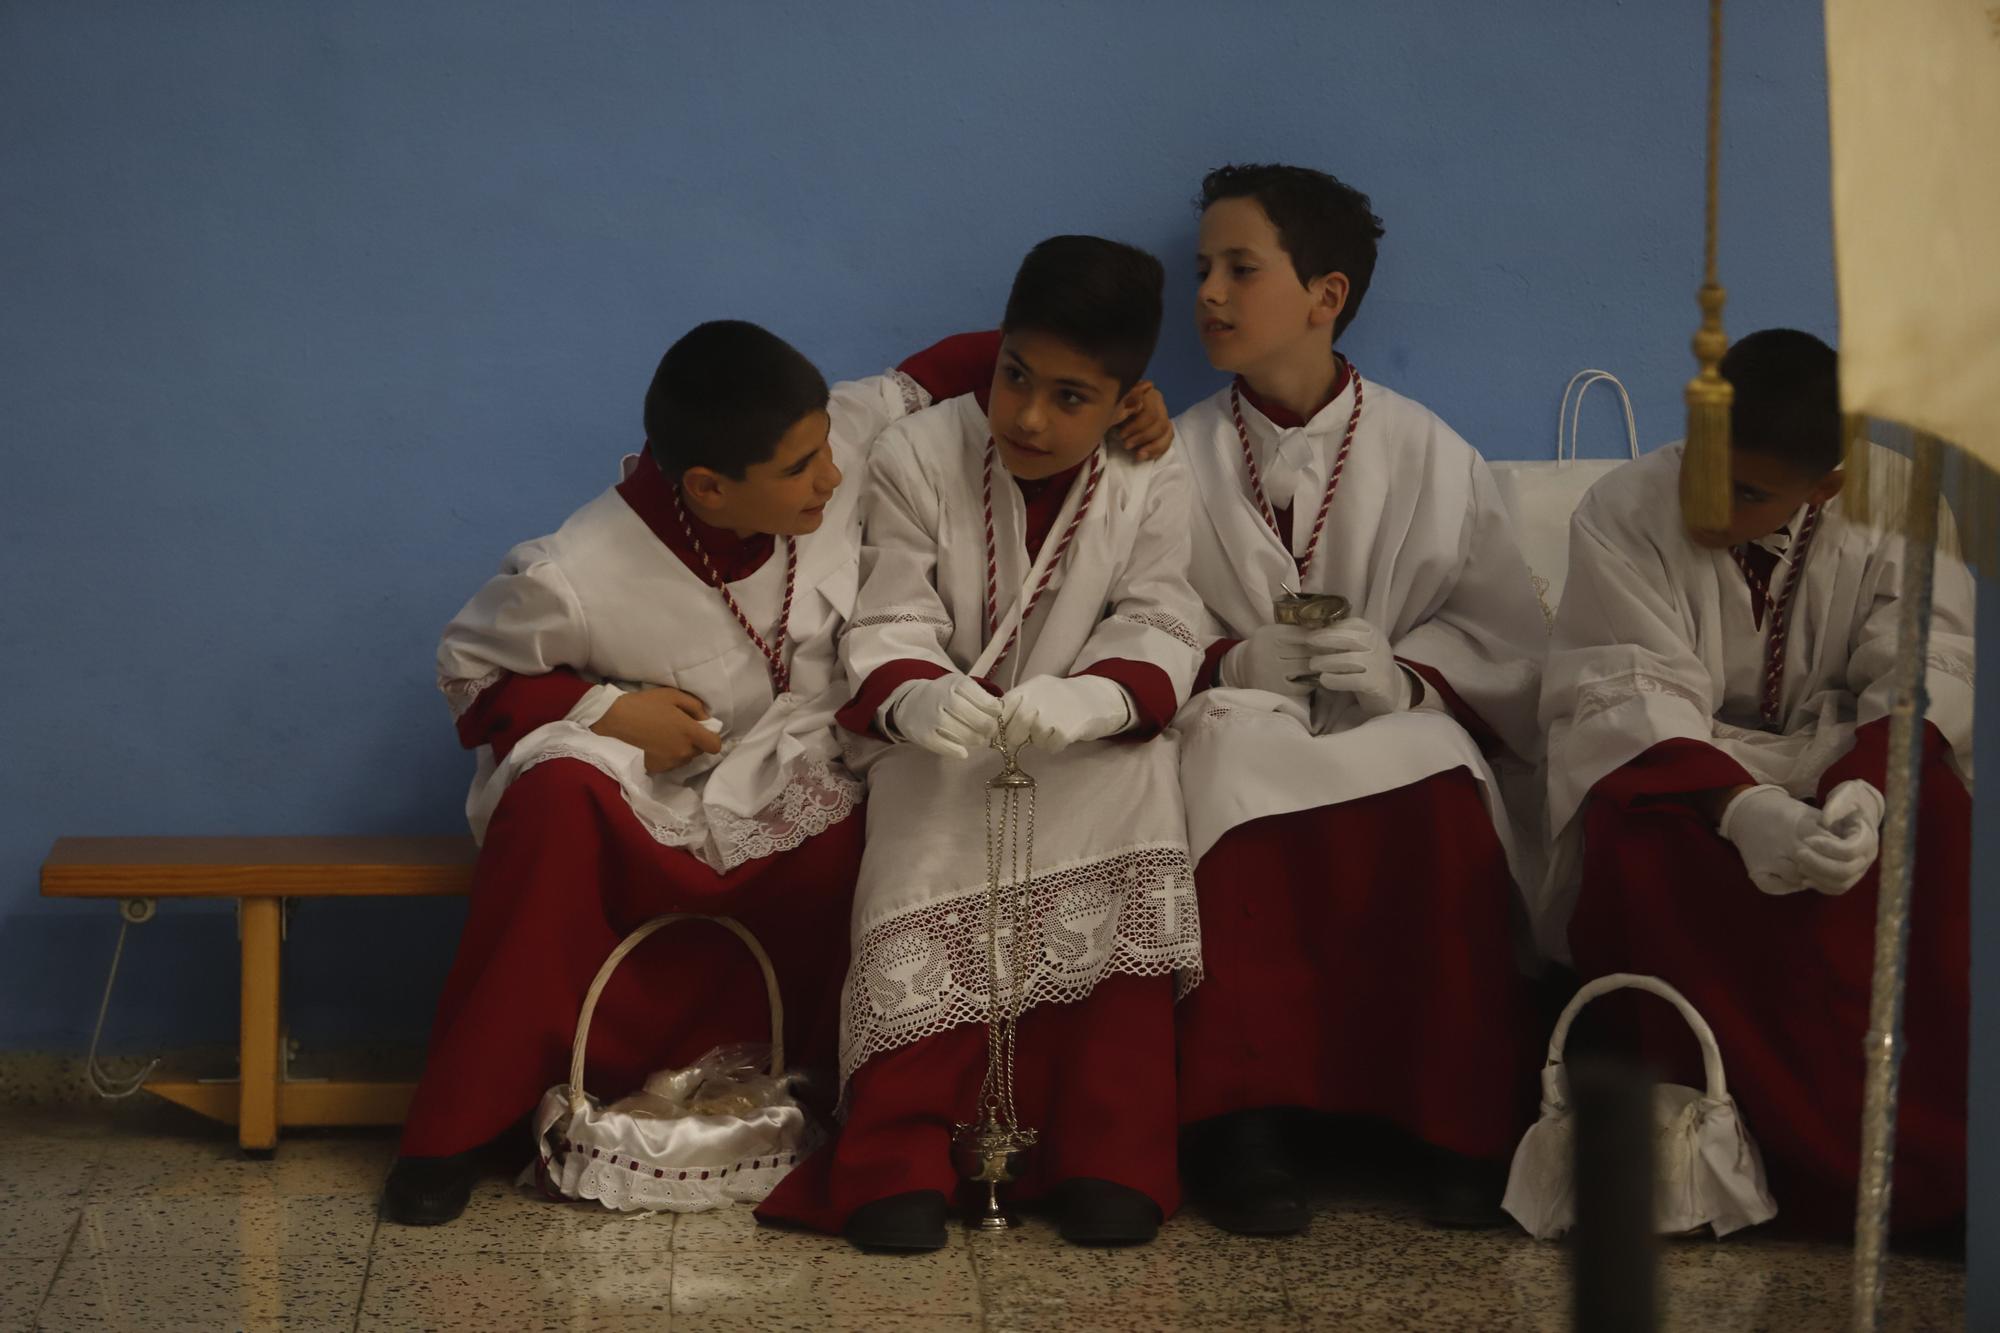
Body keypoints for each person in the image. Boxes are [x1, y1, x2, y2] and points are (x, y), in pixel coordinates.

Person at [383, 321, 936, 1225]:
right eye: (801, 470)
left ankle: (835, 1101)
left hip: (790, 768)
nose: (831, 478)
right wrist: (604, 711)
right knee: (555, 797)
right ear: (710, 489)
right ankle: (463, 1123)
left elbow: (945, 369)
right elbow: (469, 669)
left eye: (825, 449)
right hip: (651, 789)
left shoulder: (831, 431)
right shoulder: (578, 570)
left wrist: (1123, 392)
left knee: (885, 805)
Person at [757, 236, 1206, 1251]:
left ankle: (1109, 1148)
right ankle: (899, 1148)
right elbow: (887, 611)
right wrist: (916, 699)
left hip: (1084, 739)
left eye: (1070, 396)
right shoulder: (919, 454)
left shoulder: (1150, 471)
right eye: (1013, 378)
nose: (1030, 417)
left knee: (1140, 783)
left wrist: (1097, 698)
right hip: (945, 738)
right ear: (992, 355)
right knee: (924, 807)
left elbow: (1162, 616)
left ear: (1126, 395)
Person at [1168, 164, 1547, 1233]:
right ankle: (1243, 1126)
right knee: (1234, 765)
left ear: (1325, 295)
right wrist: (1227, 659)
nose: (1206, 293)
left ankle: (1445, 1122)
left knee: (1433, 783)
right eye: (1202, 269)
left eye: (1239, 268)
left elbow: (1506, 643)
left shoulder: (1429, 452)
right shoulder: (1172, 458)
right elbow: (1128, 612)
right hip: (1236, 714)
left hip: (1392, 717)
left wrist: (1410, 673)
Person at [1540, 327, 1974, 1234]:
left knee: (1936, 829)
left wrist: (1865, 793)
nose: (1706, 500)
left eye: (1744, 492)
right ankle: (1714, 1166)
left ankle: (1902, 1174)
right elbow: (1625, 688)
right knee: (1650, 840)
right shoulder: (1622, 507)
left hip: (1840, 754)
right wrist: (1741, 809)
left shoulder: (1905, 500)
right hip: (1688, 766)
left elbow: (1923, 663)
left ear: (1829, 486)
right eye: (1704, 463)